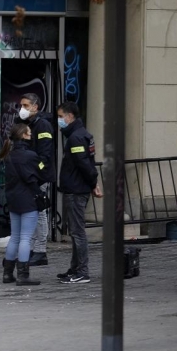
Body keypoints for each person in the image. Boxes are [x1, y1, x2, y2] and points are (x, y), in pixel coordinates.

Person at [55, 102, 102, 284]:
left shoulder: (75, 138)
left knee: (77, 232)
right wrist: (93, 183)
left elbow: (84, 164)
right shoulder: (82, 135)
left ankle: (82, 271)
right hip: (77, 187)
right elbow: (88, 162)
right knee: (76, 231)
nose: (59, 120)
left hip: (76, 189)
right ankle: (75, 268)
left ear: (70, 117)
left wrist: (93, 183)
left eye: (61, 116)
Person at [0, 124, 44, 286]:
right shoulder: (30, 155)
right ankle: (23, 275)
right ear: (23, 135)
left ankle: (7, 274)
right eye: (29, 133)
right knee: (25, 238)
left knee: (15, 237)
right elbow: (39, 174)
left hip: (13, 199)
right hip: (28, 199)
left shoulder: (9, 155)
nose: (31, 135)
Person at [14, 93, 55, 266]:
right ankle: (31, 249)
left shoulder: (42, 125)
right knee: (30, 214)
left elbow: (44, 157)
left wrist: (35, 172)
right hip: (28, 177)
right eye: (21, 105)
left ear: (35, 107)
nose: (22, 109)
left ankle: (40, 251)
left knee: (39, 213)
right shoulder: (26, 124)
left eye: (25, 105)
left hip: (38, 177)